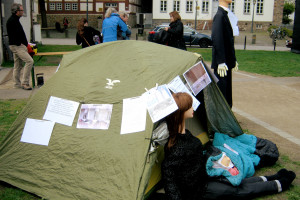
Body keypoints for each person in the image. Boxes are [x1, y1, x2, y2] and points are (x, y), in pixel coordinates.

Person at [162, 92, 296, 200]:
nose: (193, 109)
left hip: (204, 178)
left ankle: (271, 177)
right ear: (181, 112)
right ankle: (278, 184)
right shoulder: (175, 147)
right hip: (197, 192)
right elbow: (169, 178)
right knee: (237, 190)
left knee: (235, 180)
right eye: (189, 107)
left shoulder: (187, 135)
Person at [211, 0, 238, 108]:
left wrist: (233, 59)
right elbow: (217, 39)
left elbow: (228, 41)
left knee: (226, 91)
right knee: (222, 93)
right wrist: (221, 61)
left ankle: (226, 114)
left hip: (226, 62)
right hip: (222, 64)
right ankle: (222, 118)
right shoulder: (219, 16)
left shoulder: (224, 15)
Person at [6, 3, 34, 90]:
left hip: (18, 46)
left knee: (17, 65)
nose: (23, 11)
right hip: (17, 46)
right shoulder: (12, 21)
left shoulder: (15, 20)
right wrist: (20, 44)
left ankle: (16, 84)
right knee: (29, 61)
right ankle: (25, 83)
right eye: (21, 10)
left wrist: (26, 44)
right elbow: (13, 36)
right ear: (17, 11)